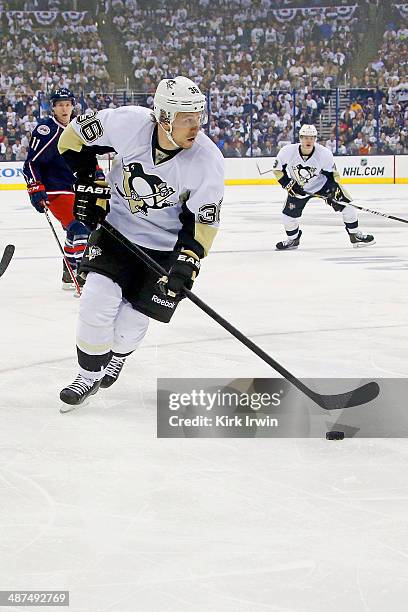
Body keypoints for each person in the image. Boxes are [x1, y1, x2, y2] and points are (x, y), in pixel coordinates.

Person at [57, 76, 224, 406]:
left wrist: (189, 260)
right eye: (186, 119)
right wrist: (91, 181)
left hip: (164, 248)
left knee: (130, 322)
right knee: (96, 301)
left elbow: (203, 221)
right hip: (116, 232)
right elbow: (71, 138)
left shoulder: (207, 160)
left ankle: (117, 356)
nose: (195, 127)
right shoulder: (127, 123)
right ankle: (88, 375)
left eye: (198, 118)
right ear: (163, 117)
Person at [23, 88, 91, 290]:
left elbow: (86, 157)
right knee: (80, 226)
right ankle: (82, 275)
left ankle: (68, 274)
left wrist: (96, 174)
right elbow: (31, 164)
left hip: (75, 188)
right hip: (55, 190)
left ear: (73, 106)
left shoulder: (77, 128)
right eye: (60, 104)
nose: (64, 108)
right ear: (52, 107)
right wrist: (36, 190)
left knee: (75, 229)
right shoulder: (47, 130)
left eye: (67, 104)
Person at [273, 124, 375, 250]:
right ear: (300, 138)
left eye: (311, 137)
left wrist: (333, 191)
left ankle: (355, 235)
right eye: (305, 137)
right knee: (288, 216)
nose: (308, 140)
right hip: (299, 189)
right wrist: (288, 184)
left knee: (347, 205)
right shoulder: (287, 151)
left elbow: (333, 175)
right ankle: (293, 240)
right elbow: (278, 170)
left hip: (322, 185)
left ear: (315, 139)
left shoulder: (324, 153)